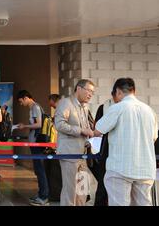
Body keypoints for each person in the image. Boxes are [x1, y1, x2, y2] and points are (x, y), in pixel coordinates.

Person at [94, 78, 158, 206]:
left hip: (120, 167)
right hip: (145, 168)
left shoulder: (118, 108)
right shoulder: (149, 111)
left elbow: (98, 130)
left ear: (117, 91)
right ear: (134, 91)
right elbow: (154, 137)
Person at [55, 79, 97, 206]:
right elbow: (59, 124)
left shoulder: (85, 106)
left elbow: (85, 127)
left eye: (92, 92)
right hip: (69, 154)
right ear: (79, 88)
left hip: (83, 155)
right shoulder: (65, 103)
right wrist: (81, 130)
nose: (90, 94)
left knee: (82, 190)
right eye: (88, 91)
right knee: (70, 190)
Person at [16, 90, 49, 206]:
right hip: (35, 142)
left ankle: (44, 196)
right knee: (38, 169)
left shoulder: (35, 107)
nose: (21, 104)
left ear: (26, 98)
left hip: (37, 142)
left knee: (40, 169)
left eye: (21, 101)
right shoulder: (33, 108)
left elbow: (38, 124)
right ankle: (41, 194)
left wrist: (24, 126)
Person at [92, 82, 122, 206]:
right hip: (107, 150)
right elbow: (97, 129)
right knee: (103, 183)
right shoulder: (104, 107)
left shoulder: (129, 108)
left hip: (122, 152)